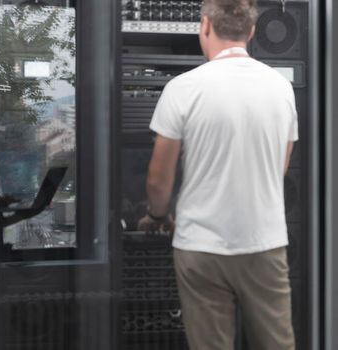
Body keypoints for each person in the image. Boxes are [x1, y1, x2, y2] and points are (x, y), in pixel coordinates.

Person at [138, 0, 298, 349]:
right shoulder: (279, 88)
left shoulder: (183, 88)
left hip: (201, 247)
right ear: (252, 31)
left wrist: (158, 215)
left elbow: (158, 177)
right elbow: (279, 168)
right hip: (264, 244)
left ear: (205, 25)